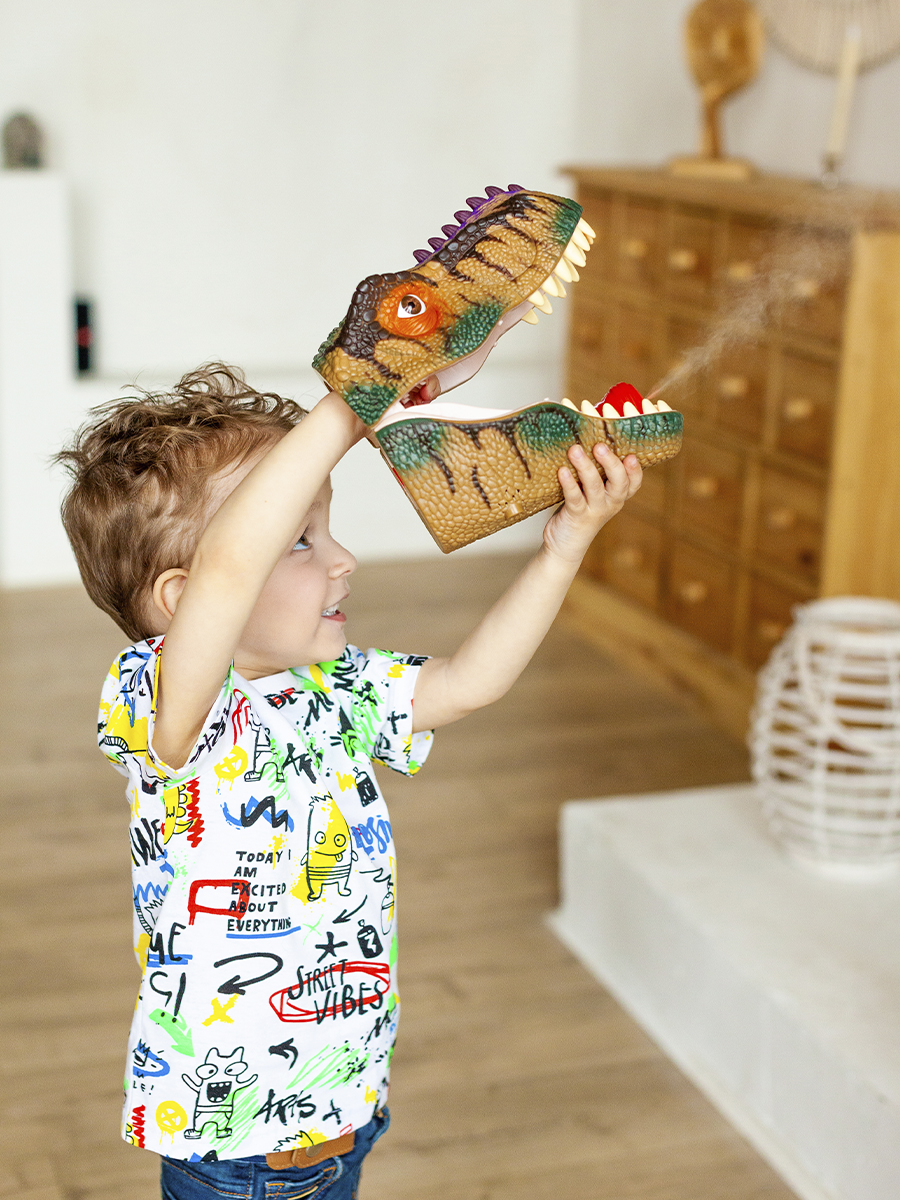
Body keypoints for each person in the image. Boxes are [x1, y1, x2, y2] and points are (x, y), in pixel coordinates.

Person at [56, 362, 642, 1200]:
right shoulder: (164, 708)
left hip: (349, 1107)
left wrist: (564, 544)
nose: (345, 560)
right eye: (299, 541)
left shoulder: (334, 684)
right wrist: (354, 394)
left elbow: (465, 684)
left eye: (326, 531)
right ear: (181, 599)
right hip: (238, 1153)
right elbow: (230, 568)